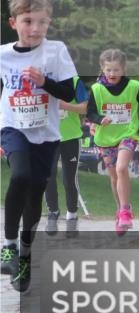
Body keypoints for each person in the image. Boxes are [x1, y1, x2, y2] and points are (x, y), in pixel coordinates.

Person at [0, 0, 77, 292]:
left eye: (42, 23)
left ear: (50, 24)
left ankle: (25, 254)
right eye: (28, 21)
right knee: (20, 176)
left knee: (35, 197)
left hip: (45, 134)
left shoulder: (55, 51)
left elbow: (71, 93)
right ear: (13, 22)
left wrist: (45, 82)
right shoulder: (3, 55)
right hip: (13, 126)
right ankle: (7, 246)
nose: (35, 29)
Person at [88, 48, 139, 235]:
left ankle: (126, 210)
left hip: (127, 134)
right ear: (102, 68)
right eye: (108, 70)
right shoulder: (96, 89)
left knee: (121, 168)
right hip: (105, 138)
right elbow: (90, 112)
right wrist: (100, 119)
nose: (112, 74)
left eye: (116, 70)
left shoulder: (134, 86)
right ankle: (120, 212)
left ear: (123, 69)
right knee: (114, 177)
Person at [44, 74, 89, 237]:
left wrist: (64, 105)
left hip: (70, 136)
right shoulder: (39, 79)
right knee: (47, 177)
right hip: (47, 137)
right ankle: (53, 213)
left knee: (69, 179)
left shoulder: (74, 81)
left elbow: (85, 107)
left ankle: (72, 216)